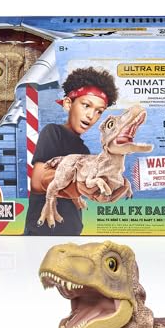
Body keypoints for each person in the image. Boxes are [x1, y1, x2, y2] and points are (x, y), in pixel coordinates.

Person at [24, 67, 118, 235]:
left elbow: (79, 187)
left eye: (99, 111)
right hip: (43, 233)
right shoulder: (53, 132)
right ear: (68, 103)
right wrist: (79, 184)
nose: (91, 116)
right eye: (86, 105)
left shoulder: (84, 150)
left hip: (74, 232)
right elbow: (38, 182)